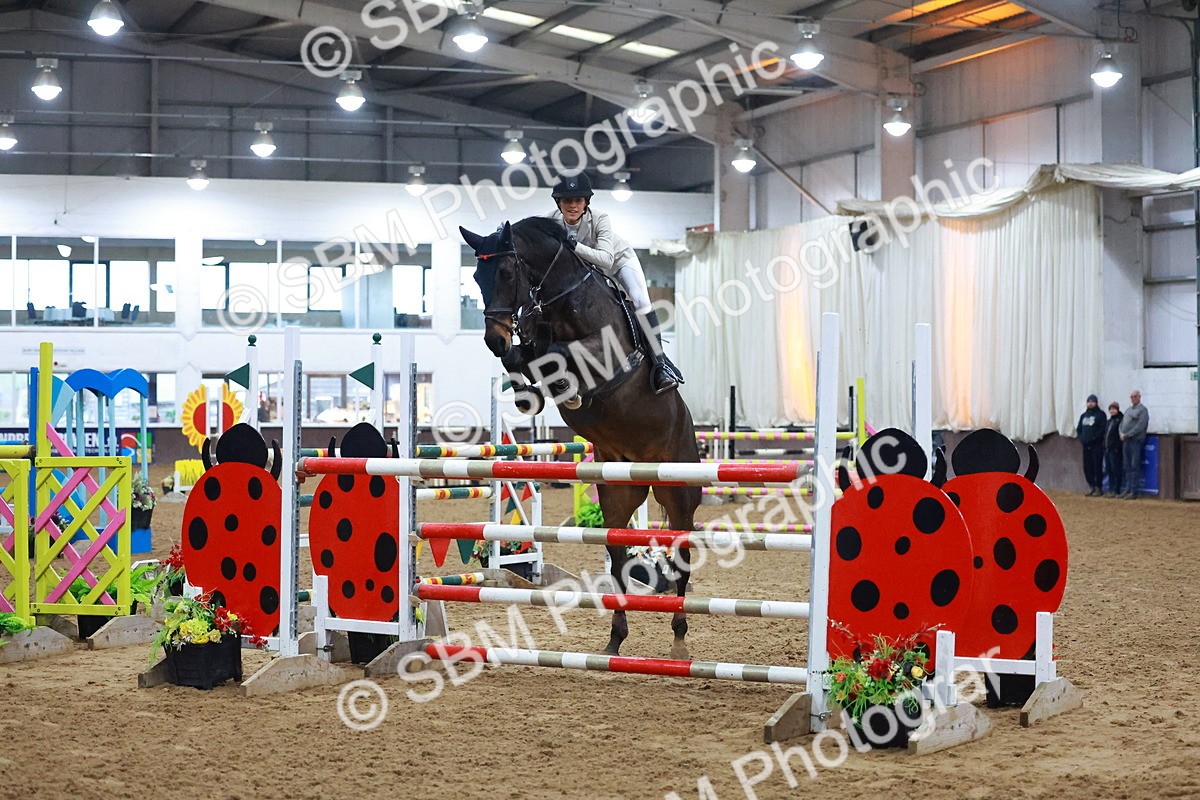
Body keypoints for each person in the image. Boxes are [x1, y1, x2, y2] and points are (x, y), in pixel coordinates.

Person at [547, 173, 683, 395]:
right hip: (589, 272)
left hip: (618, 262)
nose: (572, 206)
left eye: (578, 201)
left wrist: (572, 244)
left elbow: (606, 259)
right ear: (558, 203)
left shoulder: (600, 218)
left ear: (585, 204)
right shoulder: (550, 221)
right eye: (567, 201)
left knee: (640, 299)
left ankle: (660, 365)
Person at [1118, 390, 1149, 499]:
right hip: (1126, 441)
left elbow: (1140, 426)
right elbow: (1121, 424)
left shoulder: (1143, 410)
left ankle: (1133, 491)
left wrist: (1128, 434)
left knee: (1134, 465)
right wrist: (1121, 433)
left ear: (1139, 397)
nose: (1133, 398)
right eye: (1131, 397)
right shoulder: (1128, 410)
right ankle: (1127, 489)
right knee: (1127, 466)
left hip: (1135, 441)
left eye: (1135, 396)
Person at [1076, 394, 1105, 496]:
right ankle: (1091, 486)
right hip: (1085, 445)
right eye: (1089, 401)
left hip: (1096, 445)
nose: (1090, 403)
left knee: (1097, 466)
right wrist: (1082, 439)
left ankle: (1098, 488)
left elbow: (1102, 429)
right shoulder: (1083, 416)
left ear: (1096, 403)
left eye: (1093, 401)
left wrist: (1094, 439)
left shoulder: (1101, 415)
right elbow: (1079, 429)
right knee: (1087, 467)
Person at [1103, 401, 1123, 497]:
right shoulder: (1109, 422)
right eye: (1110, 409)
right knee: (1109, 469)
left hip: (1115, 450)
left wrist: (1117, 447)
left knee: (1116, 470)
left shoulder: (1120, 421)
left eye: (1114, 409)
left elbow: (1119, 437)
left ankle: (1117, 490)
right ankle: (1111, 490)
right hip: (1107, 449)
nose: (1112, 411)